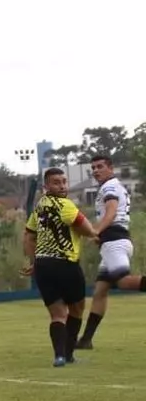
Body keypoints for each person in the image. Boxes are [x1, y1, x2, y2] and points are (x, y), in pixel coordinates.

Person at [21, 167, 99, 367]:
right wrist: (94, 235)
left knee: (57, 314)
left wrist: (34, 261)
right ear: (46, 186)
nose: (62, 185)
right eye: (56, 182)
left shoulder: (39, 206)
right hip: (65, 264)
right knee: (76, 310)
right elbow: (86, 228)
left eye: (64, 181)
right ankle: (69, 354)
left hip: (44, 265)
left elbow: (29, 236)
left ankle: (59, 356)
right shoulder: (66, 205)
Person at [75, 154, 146, 349]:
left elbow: (111, 210)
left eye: (100, 166)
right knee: (100, 291)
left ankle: (85, 339)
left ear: (110, 168)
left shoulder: (109, 187)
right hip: (113, 241)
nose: (96, 170)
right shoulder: (111, 186)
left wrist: (96, 230)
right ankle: (86, 339)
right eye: (93, 168)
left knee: (123, 280)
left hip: (114, 240)